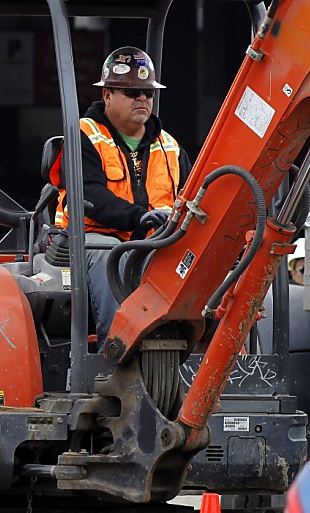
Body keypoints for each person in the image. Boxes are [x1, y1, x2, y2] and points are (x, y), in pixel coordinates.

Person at [54, 46, 192, 344]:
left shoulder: (170, 147)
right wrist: (139, 217)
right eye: (132, 92)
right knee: (112, 256)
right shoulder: (84, 135)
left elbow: (191, 199)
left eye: (148, 93)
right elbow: (89, 197)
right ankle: (115, 349)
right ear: (107, 95)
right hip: (89, 237)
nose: (142, 99)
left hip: (154, 239)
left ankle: (182, 345)